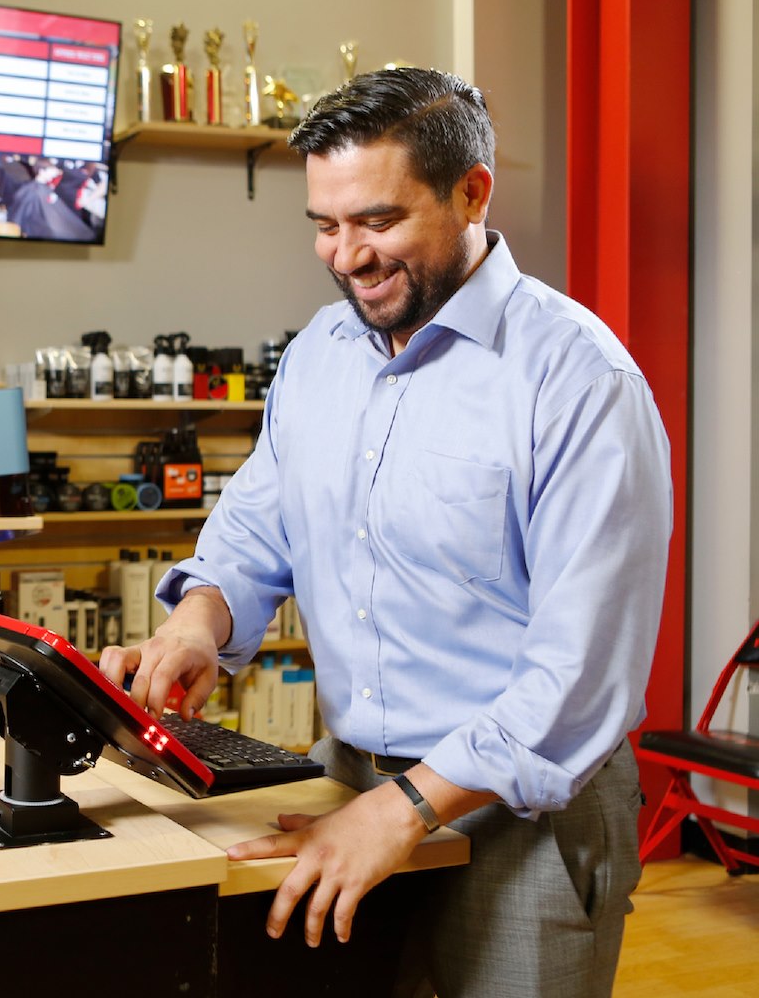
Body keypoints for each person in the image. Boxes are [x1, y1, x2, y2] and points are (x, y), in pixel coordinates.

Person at [99, 66, 672, 998]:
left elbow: (581, 676)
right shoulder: (319, 356)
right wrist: (199, 622)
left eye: (378, 220)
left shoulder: (579, 382)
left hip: (521, 821)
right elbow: (255, 530)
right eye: (326, 225)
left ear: (472, 193)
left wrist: (403, 809)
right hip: (347, 784)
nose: (347, 256)